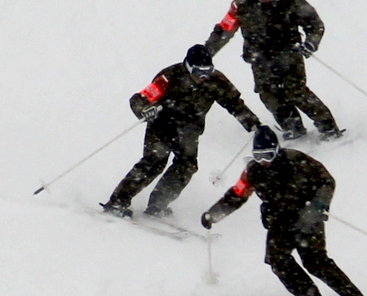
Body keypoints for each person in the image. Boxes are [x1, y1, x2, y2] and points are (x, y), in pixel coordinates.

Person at [201, 125, 367, 296]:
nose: (263, 161)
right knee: (277, 260)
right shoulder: (252, 171)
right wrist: (214, 214)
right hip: (278, 222)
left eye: (267, 155)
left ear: (276, 150)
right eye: (258, 156)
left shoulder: (297, 161)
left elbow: (326, 181)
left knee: (315, 262)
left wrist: (318, 205)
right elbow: (237, 194)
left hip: (306, 219)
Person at [101, 45, 260, 218]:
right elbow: (140, 99)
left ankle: (157, 205)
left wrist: (254, 125)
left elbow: (234, 103)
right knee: (154, 162)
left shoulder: (216, 81)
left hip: (189, 131)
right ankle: (118, 201)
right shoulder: (170, 76)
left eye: (208, 71)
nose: (203, 77)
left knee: (187, 165)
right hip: (161, 125)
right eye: (199, 71)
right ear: (189, 66)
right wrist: (145, 109)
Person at [205, 0, 341, 141]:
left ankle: (328, 127)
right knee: (268, 94)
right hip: (259, 59)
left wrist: (311, 43)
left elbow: (314, 23)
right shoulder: (240, 6)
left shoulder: (289, 0)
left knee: (296, 91)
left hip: (289, 55)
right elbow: (224, 29)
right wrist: (208, 51)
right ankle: (292, 127)